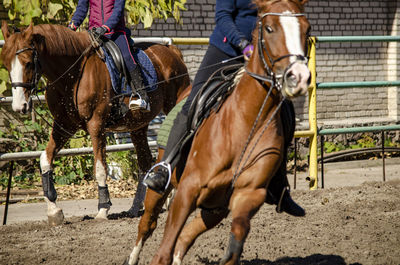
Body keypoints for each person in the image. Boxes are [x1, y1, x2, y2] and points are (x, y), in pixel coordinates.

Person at [144, 0, 305, 217]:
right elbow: (223, 17)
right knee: (193, 102)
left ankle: (280, 188)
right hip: (226, 50)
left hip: (262, 53)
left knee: (283, 107)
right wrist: (242, 44)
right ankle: (165, 166)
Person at [68, 0, 150, 111]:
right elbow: (81, 10)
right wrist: (71, 28)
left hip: (115, 33)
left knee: (126, 57)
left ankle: (142, 96)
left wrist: (106, 27)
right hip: (94, 33)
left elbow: (118, 11)